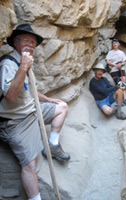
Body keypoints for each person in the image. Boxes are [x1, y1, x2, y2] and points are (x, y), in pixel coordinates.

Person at [0, 24, 70, 200]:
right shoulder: (8, 64)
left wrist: (47, 99)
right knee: (30, 164)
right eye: (26, 40)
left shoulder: (25, 61)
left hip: (32, 110)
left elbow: (28, 88)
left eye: (33, 43)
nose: (30, 45)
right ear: (15, 42)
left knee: (62, 106)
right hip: (16, 121)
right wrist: (23, 67)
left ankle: (52, 146)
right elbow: (11, 95)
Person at [105, 38, 126, 106]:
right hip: (114, 69)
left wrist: (121, 64)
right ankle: (120, 99)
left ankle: (125, 98)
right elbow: (107, 61)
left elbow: (124, 60)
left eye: (116, 43)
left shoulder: (121, 52)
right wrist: (115, 65)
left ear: (118, 44)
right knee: (119, 83)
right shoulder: (110, 53)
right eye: (113, 43)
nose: (115, 44)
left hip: (121, 68)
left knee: (123, 82)